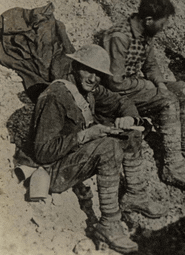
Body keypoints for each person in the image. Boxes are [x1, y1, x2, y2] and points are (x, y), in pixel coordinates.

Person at [32, 44, 166, 254]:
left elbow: (121, 100)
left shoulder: (89, 90)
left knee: (131, 133)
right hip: (53, 172)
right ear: (75, 67)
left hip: (75, 158)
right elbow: (42, 152)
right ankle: (109, 223)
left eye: (98, 74)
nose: (93, 78)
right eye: (88, 70)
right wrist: (86, 135)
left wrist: (129, 118)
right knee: (108, 146)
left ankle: (135, 194)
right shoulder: (56, 96)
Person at [101, 0, 185, 192]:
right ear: (148, 20)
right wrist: (147, 86)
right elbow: (115, 82)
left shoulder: (146, 34)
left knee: (183, 89)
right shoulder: (120, 37)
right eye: (162, 23)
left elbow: (151, 65)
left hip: (134, 86)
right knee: (168, 101)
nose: (164, 27)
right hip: (118, 95)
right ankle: (173, 167)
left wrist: (160, 84)